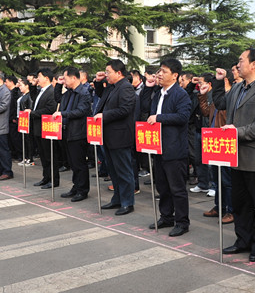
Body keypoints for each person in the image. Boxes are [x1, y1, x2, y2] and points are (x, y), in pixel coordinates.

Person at [213, 48, 255, 263]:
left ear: (254, 64)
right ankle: (243, 240)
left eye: (241, 60)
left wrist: (237, 132)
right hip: (235, 156)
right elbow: (220, 104)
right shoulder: (237, 88)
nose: (238, 64)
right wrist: (218, 82)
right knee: (240, 204)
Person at [140, 58, 193, 236]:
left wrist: (159, 118)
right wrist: (148, 88)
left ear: (175, 75)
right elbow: (144, 107)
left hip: (174, 149)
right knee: (162, 187)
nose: (159, 74)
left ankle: (182, 222)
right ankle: (166, 216)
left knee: (177, 189)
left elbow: (183, 117)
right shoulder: (158, 93)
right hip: (158, 147)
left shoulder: (180, 94)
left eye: (164, 71)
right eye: (159, 71)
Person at [94, 60, 137, 216]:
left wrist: (104, 115)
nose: (106, 75)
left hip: (120, 136)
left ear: (119, 73)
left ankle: (127, 202)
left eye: (108, 72)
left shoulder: (125, 87)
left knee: (123, 171)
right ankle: (117, 199)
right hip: (109, 136)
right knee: (113, 170)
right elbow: (101, 96)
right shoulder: (112, 87)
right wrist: (98, 82)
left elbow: (125, 109)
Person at [199, 70, 235, 224]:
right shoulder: (218, 98)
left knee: (227, 179)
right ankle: (219, 206)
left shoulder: (232, 97)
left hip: (224, 140)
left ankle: (231, 210)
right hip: (213, 141)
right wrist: (202, 96)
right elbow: (206, 112)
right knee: (216, 178)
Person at [56, 67, 92, 201]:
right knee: (72, 163)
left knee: (79, 163)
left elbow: (81, 111)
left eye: (65, 78)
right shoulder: (69, 93)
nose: (64, 81)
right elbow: (58, 98)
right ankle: (76, 187)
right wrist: (59, 85)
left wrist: (63, 114)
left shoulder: (84, 92)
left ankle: (82, 190)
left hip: (78, 132)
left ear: (74, 78)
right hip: (68, 131)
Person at [29, 68, 59, 189]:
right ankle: (46, 177)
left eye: (39, 77)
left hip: (47, 128)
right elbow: (33, 99)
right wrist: (33, 85)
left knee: (50, 155)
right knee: (43, 155)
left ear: (46, 78)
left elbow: (50, 109)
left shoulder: (51, 91)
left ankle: (54, 179)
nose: (37, 79)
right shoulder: (40, 91)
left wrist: (33, 113)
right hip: (38, 127)